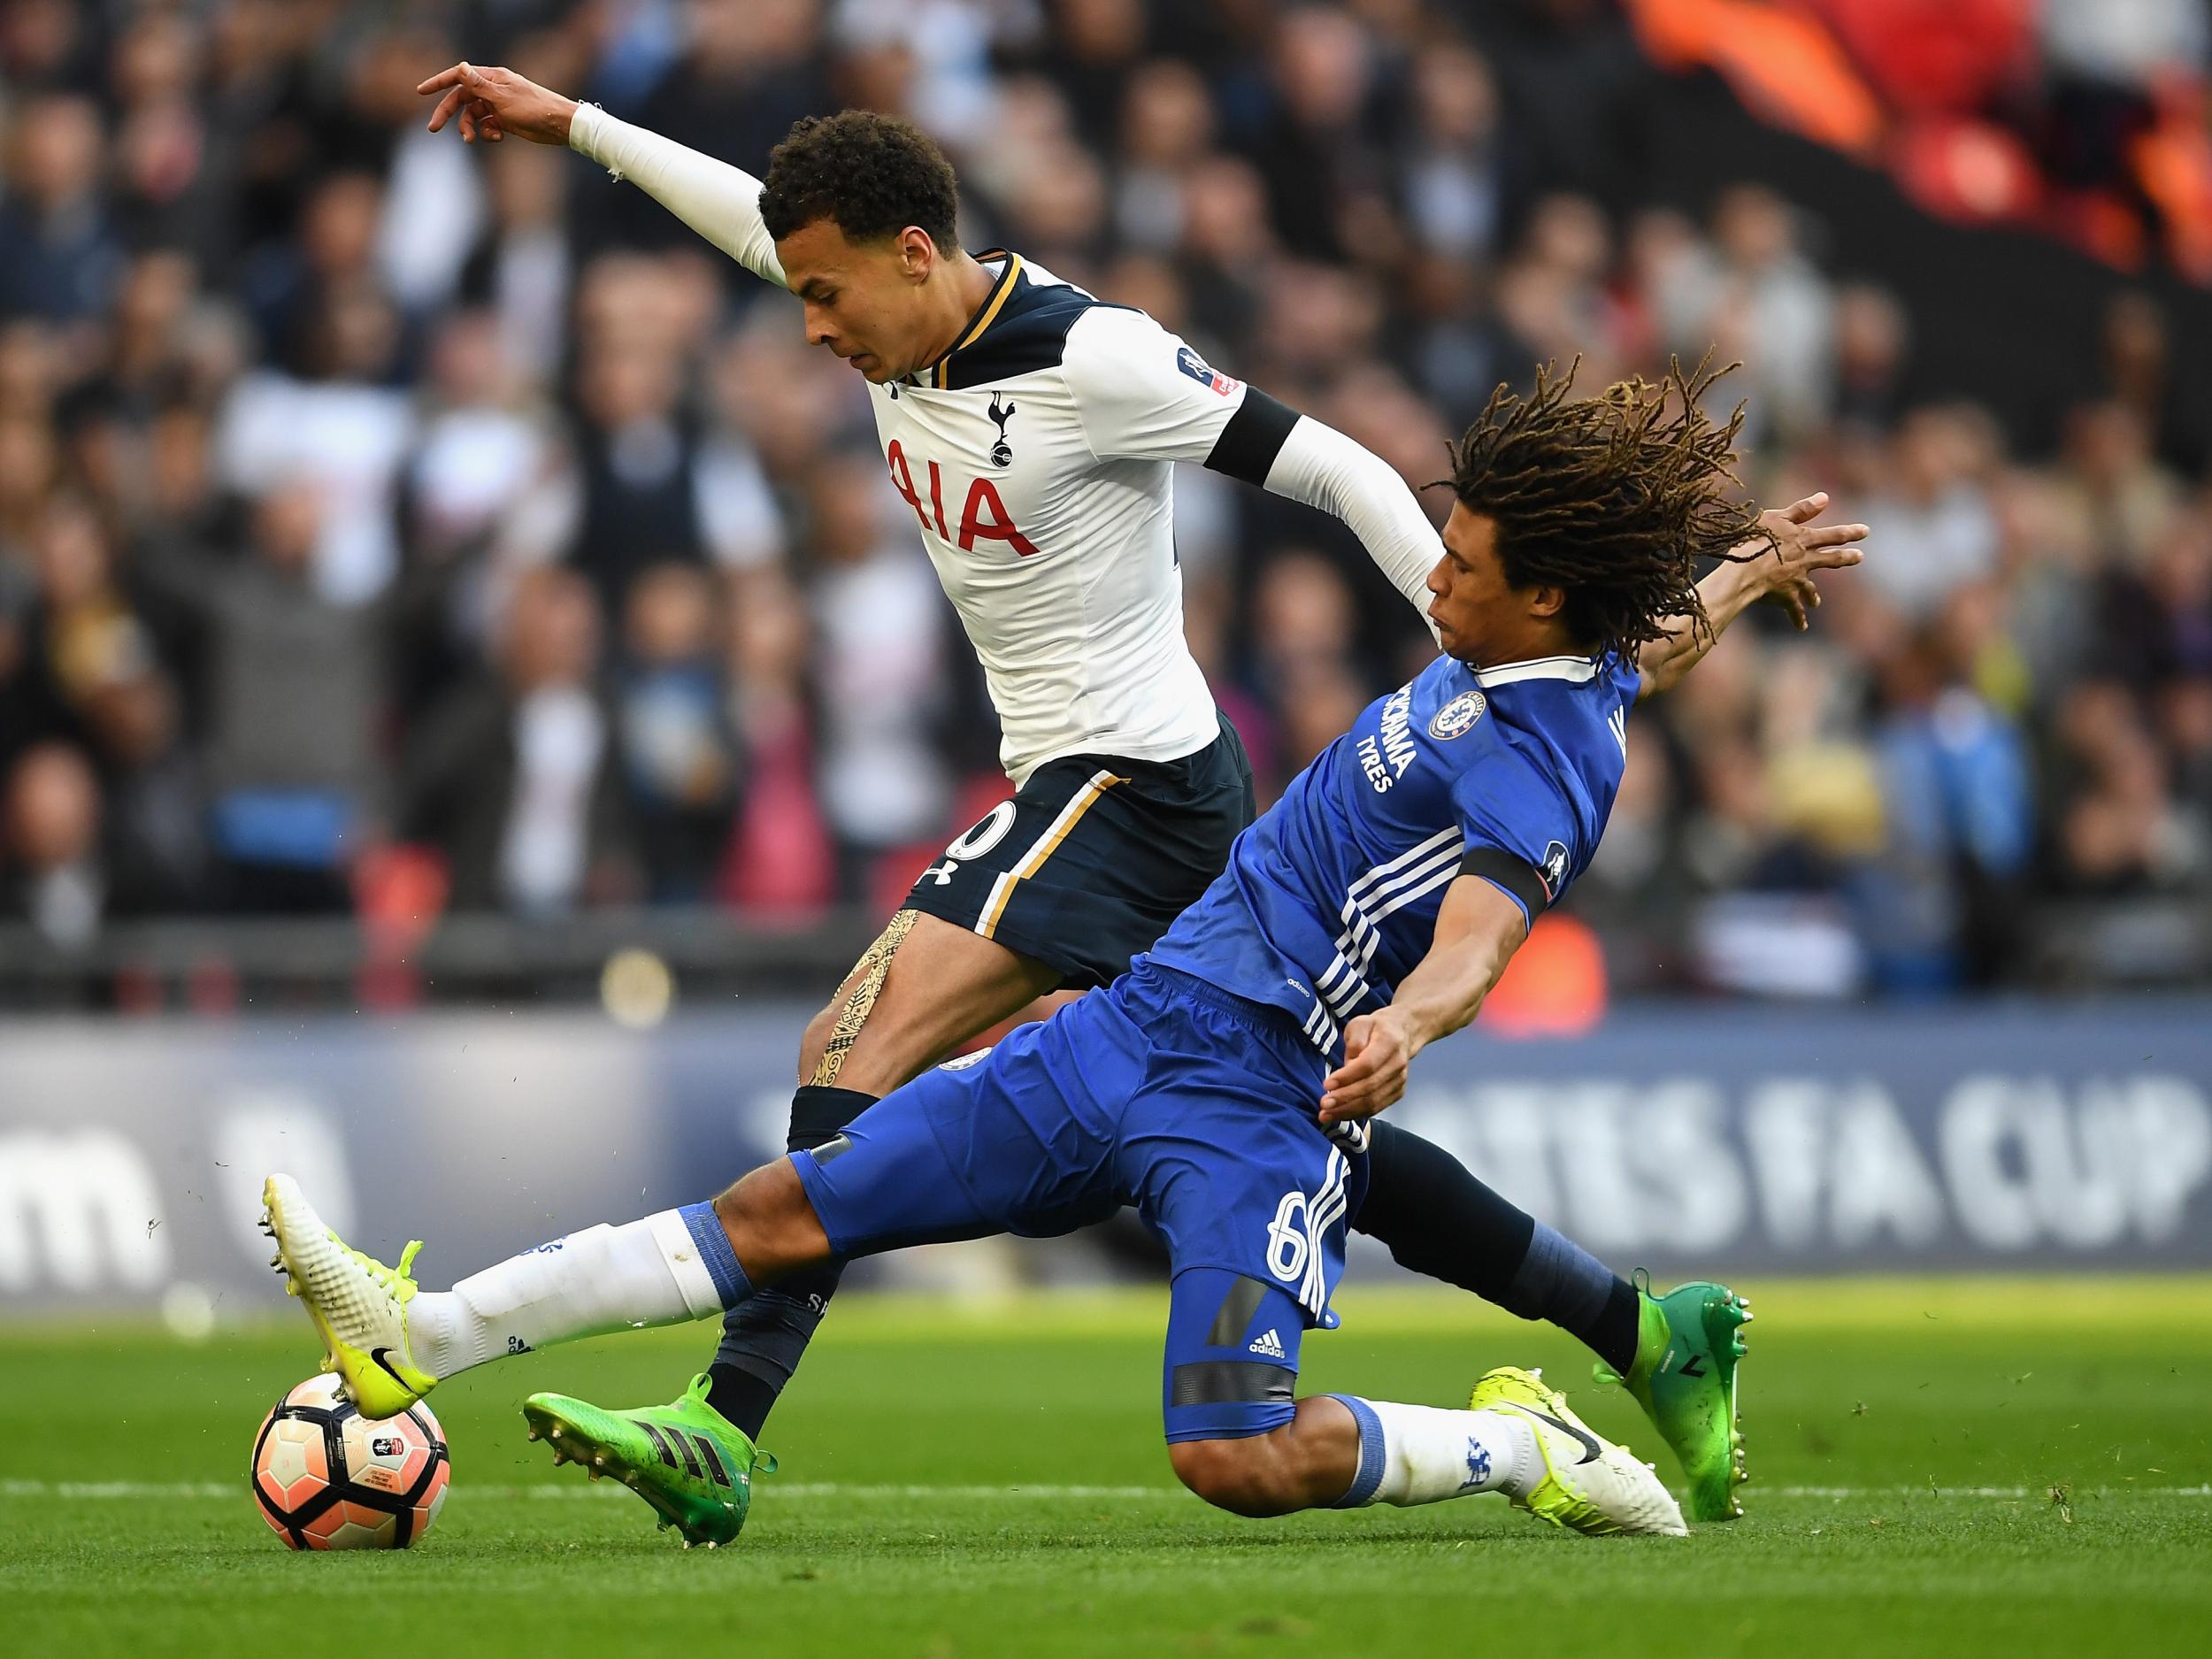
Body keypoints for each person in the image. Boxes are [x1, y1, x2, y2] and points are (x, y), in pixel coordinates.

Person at [403, 58, 1806, 1532]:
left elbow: (1341, 479)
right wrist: (568, 122)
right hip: (1132, 816)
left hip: (1132, 776)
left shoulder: (1098, 363)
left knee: (856, 1039)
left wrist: (1449, 618)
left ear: (915, 256)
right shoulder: (877, 306)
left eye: (823, 295)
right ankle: (1640, 1328)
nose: (806, 324)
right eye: (797, 292)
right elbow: (744, 217)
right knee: (1299, 1123)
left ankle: (723, 1416)